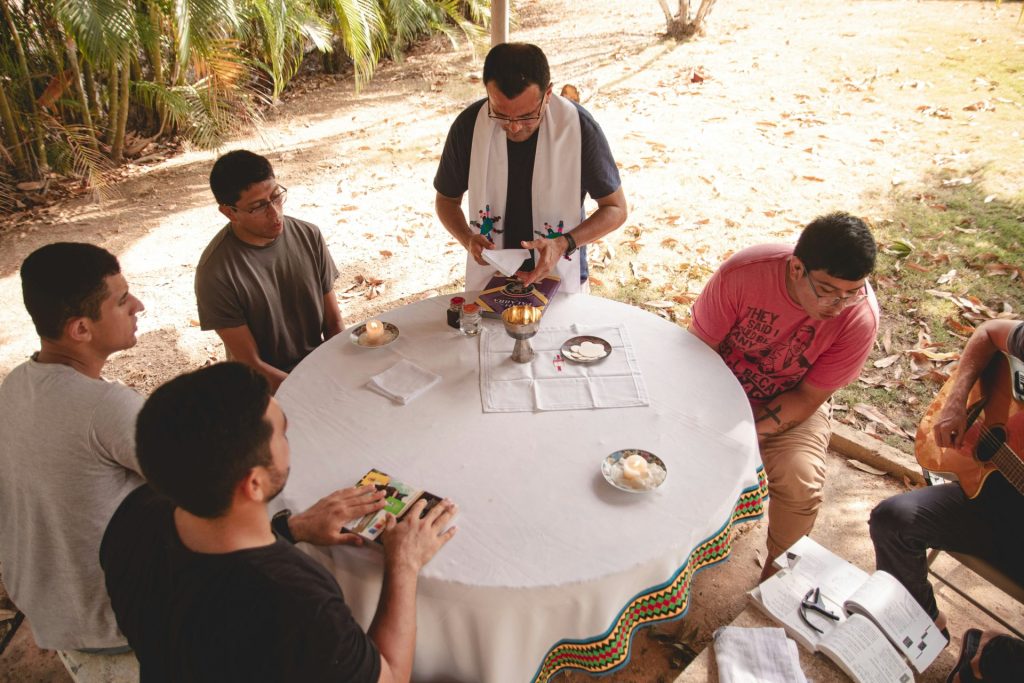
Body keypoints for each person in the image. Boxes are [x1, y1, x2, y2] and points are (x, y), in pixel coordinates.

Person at [101, 362, 457, 681]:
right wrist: (404, 564)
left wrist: (292, 529)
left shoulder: (133, 516)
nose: (291, 440)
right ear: (253, 484)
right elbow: (392, 678)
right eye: (283, 433)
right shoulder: (293, 599)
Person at [688, 212, 879, 580]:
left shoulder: (860, 318)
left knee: (800, 479)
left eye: (851, 292)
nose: (837, 305)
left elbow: (809, 396)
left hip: (790, 403)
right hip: (712, 385)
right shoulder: (744, 274)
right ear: (796, 269)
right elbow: (698, 353)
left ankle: (775, 580)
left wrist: (744, 438)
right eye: (826, 290)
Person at [0, 243, 144, 668]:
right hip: (113, 624)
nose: (138, 305)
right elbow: (208, 484)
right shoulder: (105, 407)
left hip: (50, 611)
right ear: (81, 329)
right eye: (121, 301)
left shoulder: (16, 384)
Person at [434, 42, 628, 292]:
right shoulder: (469, 126)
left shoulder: (578, 128)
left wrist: (563, 243)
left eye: (527, 116)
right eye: (501, 114)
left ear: (547, 95)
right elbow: (446, 201)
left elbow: (616, 208)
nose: (513, 127)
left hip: (560, 276)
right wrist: (467, 238)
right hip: (493, 276)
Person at [869, 319, 1024, 631]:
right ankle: (921, 623)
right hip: (985, 502)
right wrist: (956, 400)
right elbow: (989, 332)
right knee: (893, 520)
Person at [196, 149, 344, 393]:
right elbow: (251, 364)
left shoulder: (309, 235)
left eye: (276, 197)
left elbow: (333, 322)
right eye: (258, 207)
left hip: (320, 369)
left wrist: (340, 372)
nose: (274, 213)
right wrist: (307, 393)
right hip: (264, 390)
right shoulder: (215, 272)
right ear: (229, 212)